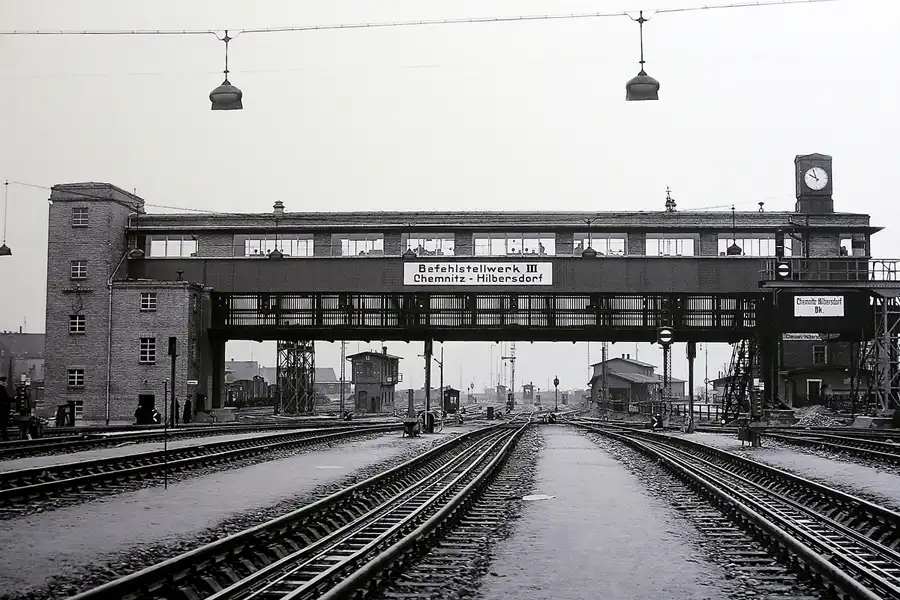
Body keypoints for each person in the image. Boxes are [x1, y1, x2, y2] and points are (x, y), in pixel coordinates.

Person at [0, 376, 10, 442]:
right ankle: (4, 437)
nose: (6, 383)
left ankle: (4, 437)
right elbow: (5, 399)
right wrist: (14, 399)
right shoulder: (1, 389)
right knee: (3, 425)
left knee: (3, 425)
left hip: (2, 409)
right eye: (4, 382)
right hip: (2, 410)